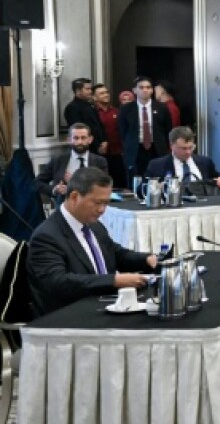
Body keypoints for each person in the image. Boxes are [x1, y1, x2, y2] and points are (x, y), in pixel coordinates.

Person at [26, 167, 159, 317]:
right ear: (75, 197)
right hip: (70, 315)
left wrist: (148, 259)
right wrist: (114, 280)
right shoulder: (46, 236)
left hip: (103, 305)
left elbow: (117, 254)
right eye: (97, 203)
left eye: (106, 203)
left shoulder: (94, 225)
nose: (102, 210)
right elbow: (59, 282)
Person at [35, 122, 108, 203]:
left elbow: (103, 187)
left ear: (90, 139)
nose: (80, 142)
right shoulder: (58, 160)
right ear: (69, 140)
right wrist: (54, 189)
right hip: (64, 207)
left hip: (91, 207)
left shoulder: (100, 162)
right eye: (76, 138)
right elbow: (36, 183)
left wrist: (74, 182)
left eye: (83, 138)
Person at [119, 76, 172, 180]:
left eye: (148, 87)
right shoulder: (126, 109)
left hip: (156, 148)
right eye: (141, 87)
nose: (145, 90)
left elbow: (167, 128)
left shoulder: (161, 107)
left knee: (157, 177)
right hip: (136, 149)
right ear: (135, 90)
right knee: (136, 178)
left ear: (152, 90)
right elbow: (123, 131)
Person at [144, 126, 220, 187]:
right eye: (183, 148)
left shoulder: (205, 162)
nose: (188, 152)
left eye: (191, 147)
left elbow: (217, 181)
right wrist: (155, 187)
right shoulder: (157, 165)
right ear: (171, 146)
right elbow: (141, 190)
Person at [93, 83, 126, 187]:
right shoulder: (93, 113)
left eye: (106, 92)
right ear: (94, 97)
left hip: (117, 153)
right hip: (100, 154)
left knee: (119, 182)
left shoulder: (116, 111)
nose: (106, 95)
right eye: (102, 93)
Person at [63, 77, 107, 152]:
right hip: (85, 148)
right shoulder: (72, 107)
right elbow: (78, 129)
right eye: (87, 89)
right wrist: (96, 145)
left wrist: (104, 141)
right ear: (78, 90)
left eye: (90, 89)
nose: (90, 92)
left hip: (97, 148)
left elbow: (99, 125)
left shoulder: (90, 105)